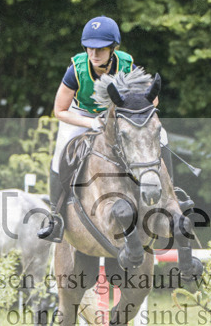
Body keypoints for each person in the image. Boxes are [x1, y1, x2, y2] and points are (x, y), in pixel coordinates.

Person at [38, 15, 167, 242]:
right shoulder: (76, 70)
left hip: (119, 115)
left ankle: (169, 195)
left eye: (100, 49)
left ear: (113, 49)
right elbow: (59, 111)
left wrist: (134, 113)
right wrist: (91, 123)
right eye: (90, 49)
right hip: (81, 115)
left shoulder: (126, 65)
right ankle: (55, 216)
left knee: (162, 136)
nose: (94, 55)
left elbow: (152, 100)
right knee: (60, 152)